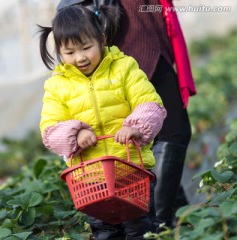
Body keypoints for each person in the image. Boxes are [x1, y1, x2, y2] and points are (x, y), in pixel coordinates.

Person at [56, 0, 197, 228]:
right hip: (131, 29)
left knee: (154, 135)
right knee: (174, 131)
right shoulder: (121, 55)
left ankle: (176, 216)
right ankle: (158, 221)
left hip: (139, 21)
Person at [37, 4, 167, 239]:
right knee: (106, 233)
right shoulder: (57, 85)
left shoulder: (124, 67)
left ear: (102, 39)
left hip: (131, 171)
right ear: (59, 51)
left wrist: (135, 126)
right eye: (70, 52)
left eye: (87, 47)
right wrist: (74, 135)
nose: (80, 57)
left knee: (141, 229)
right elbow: (49, 129)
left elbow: (150, 103)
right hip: (91, 180)